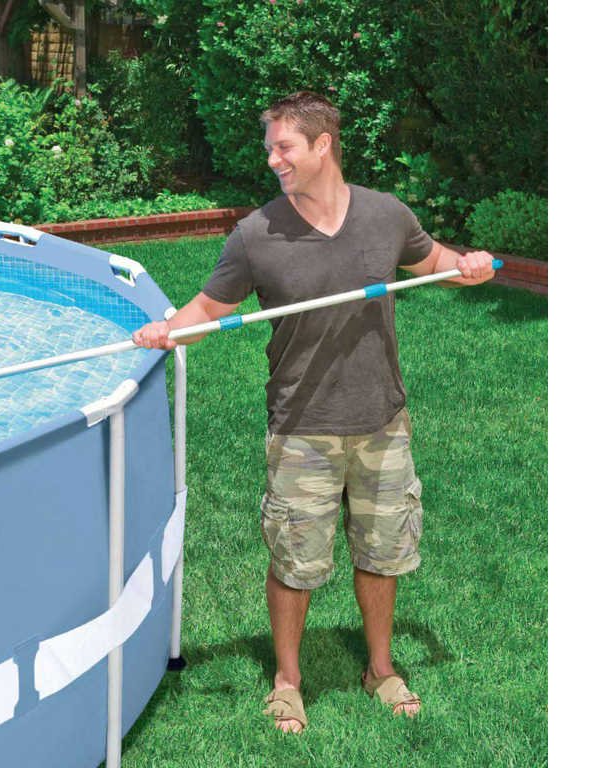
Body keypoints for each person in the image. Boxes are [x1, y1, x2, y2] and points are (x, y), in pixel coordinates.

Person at [132, 91, 496, 734]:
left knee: (381, 553)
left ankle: (380, 668)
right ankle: (287, 681)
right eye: (270, 148)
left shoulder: (386, 215)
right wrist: (168, 330)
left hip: (382, 421)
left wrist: (466, 266)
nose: (273, 159)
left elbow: (434, 261)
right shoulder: (257, 234)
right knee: (295, 561)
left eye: (284, 147)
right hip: (302, 426)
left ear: (322, 145)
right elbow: (208, 308)